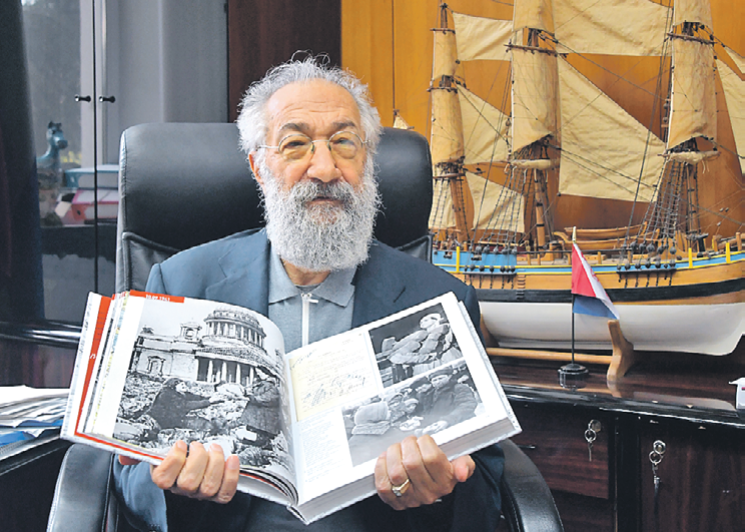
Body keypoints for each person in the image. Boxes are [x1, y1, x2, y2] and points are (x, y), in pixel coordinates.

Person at [113, 55, 504, 532]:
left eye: (344, 143)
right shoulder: (180, 283)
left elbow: (486, 489)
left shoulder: (440, 301)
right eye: (295, 144)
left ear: (367, 162)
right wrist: (174, 485)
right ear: (259, 167)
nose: (324, 168)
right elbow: (127, 476)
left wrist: (437, 493)